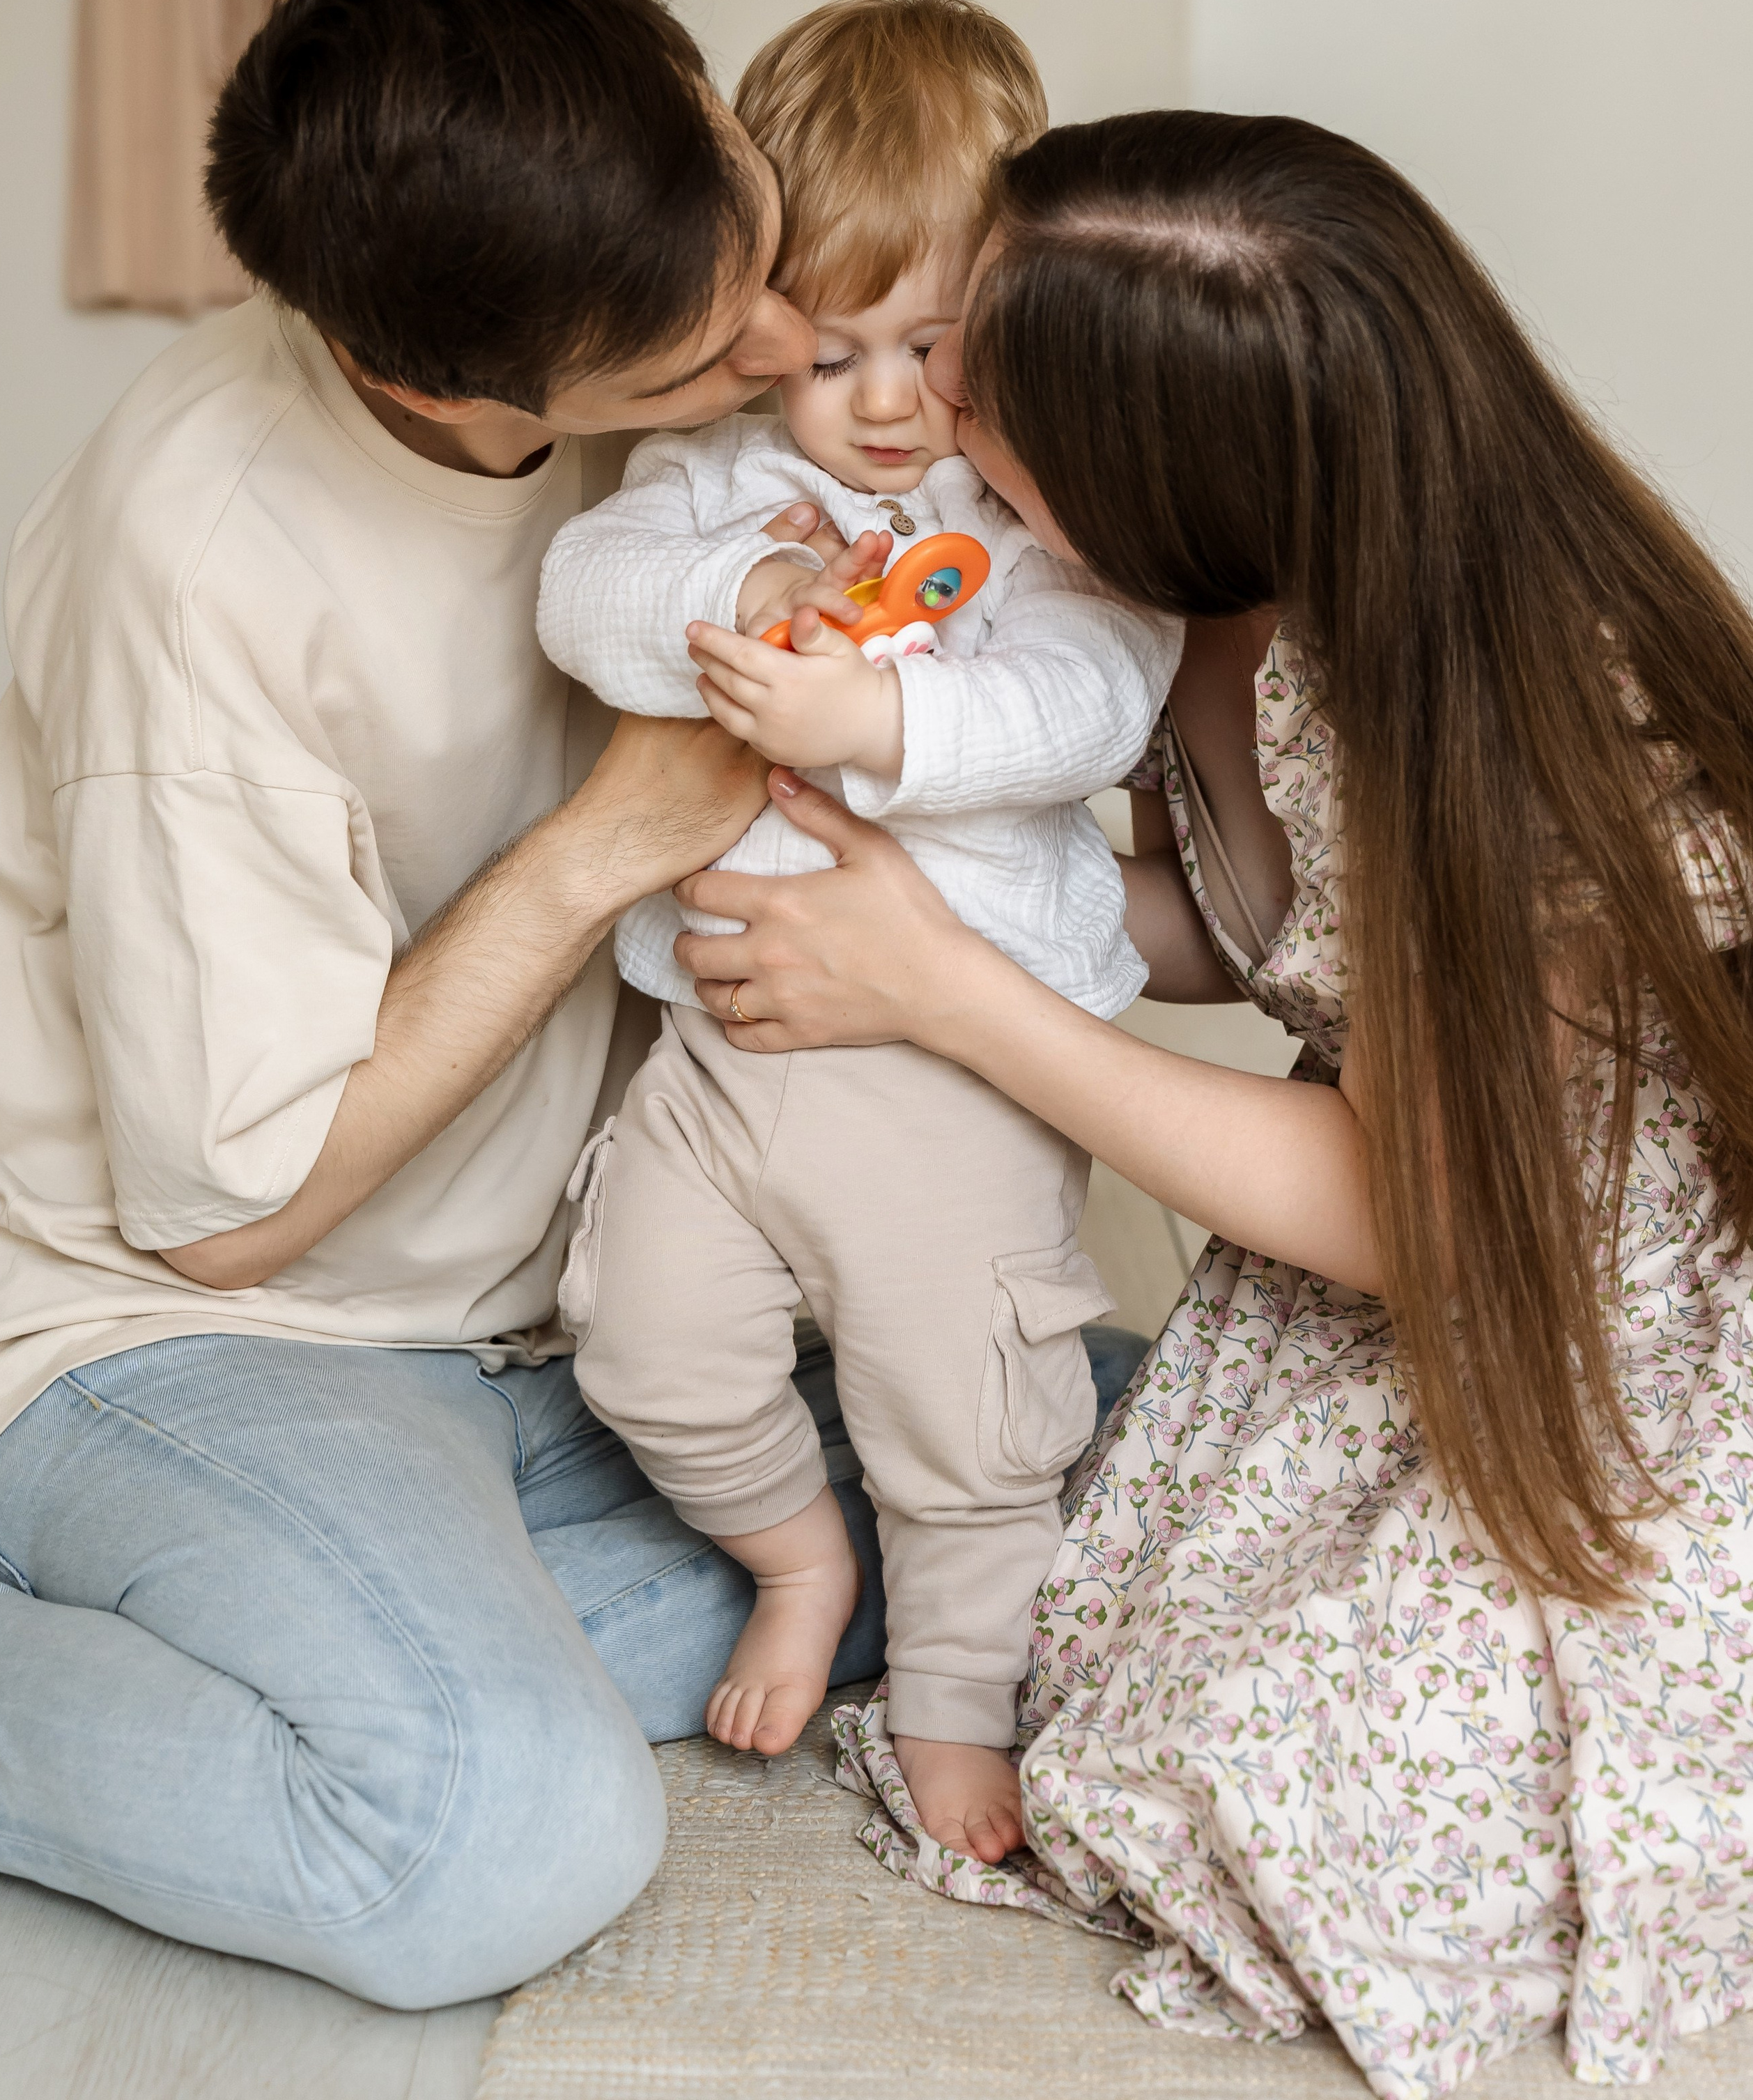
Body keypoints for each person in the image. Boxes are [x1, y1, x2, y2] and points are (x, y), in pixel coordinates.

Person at [0, 0, 1144, 2007]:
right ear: (458, 385)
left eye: (768, 250)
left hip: (561, 1299)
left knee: (1130, 1445)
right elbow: (228, 1219)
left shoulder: (682, 337)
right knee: (488, 1837)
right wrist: (623, 826)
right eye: (716, 357)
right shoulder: (205, 571)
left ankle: (392, 1606)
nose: (796, 348)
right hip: (209, 1328)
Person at [664, 109, 1753, 2095]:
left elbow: (1411, 1212)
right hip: (1397, 1229)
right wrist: (935, 878)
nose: (938, 402)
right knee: (1034, 1589)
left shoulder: (1505, 714)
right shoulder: (1175, 602)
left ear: (1160, 470)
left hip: (1563, 1306)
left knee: (1311, 1802)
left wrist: (953, 989)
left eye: (989, 392)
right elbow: (1246, 930)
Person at [535, 0, 1180, 1860]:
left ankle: (966, 1708)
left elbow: (1092, 704)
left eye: (932, 345)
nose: (884, 404)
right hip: (727, 1052)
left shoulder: (1056, 513)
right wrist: (743, 583)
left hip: (946, 1073)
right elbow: (588, 596)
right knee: (640, 1339)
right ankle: (799, 1562)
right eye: (829, 355)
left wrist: (878, 726)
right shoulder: (737, 489)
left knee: (966, 1423)